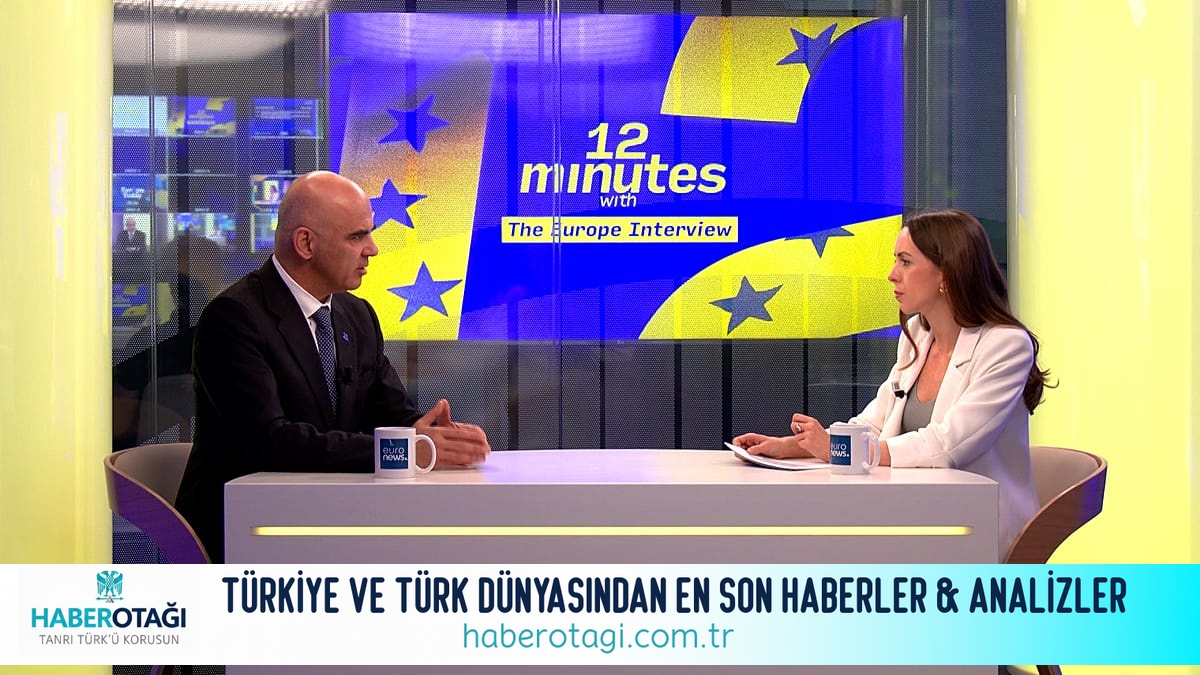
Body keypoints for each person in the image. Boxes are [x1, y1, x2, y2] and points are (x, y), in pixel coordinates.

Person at [175, 171, 491, 562]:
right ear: (305, 243)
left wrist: (432, 434)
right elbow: (271, 443)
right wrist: (405, 449)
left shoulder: (356, 315)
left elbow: (389, 411)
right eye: (357, 237)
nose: (373, 249)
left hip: (330, 520)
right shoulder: (235, 318)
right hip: (244, 533)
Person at [733, 209, 1050, 558]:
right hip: (916, 520)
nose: (892, 274)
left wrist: (840, 451)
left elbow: (949, 446)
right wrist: (794, 447)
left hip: (978, 534)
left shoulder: (1005, 345)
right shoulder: (917, 334)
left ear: (947, 273)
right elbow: (873, 425)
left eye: (905, 262)